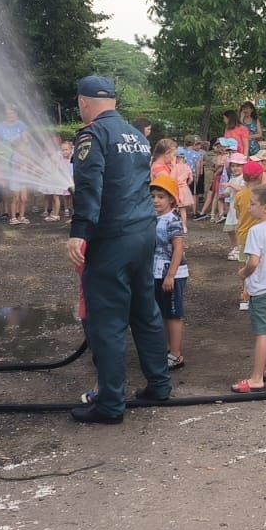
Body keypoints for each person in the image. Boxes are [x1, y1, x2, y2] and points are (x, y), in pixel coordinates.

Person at [67, 75, 173, 424]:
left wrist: (79, 232)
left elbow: (89, 184)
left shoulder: (92, 134)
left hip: (111, 237)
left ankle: (111, 404)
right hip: (143, 232)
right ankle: (160, 384)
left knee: (107, 321)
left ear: (83, 103)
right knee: (145, 311)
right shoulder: (136, 136)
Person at [231, 184, 266, 393]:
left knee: (261, 333)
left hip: (261, 290)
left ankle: (256, 378)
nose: (249, 208)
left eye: (253, 204)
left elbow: (253, 261)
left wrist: (243, 274)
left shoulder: (256, 231)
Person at [149, 174, 189, 370]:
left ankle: (176, 354)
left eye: (161, 196)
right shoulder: (153, 218)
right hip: (156, 273)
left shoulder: (172, 220)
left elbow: (178, 248)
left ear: (171, 199)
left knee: (173, 314)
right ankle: (168, 348)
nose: (156, 200)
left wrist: (171, 275)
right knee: (163, 312)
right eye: (153, 196)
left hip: (171, 274)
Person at [233, 160, 263, 310]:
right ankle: (254, 294)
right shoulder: (263, 195)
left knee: (244, 265)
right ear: (258, 177)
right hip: (260, 237)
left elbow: (238, 213)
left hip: (243, 234)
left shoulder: (239, 195)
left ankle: (244, 296)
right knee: (257, 265)